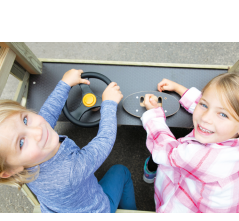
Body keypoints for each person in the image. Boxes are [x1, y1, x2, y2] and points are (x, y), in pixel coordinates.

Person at [0, 69, 137, 213]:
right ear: (10, 170)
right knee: (121, 171)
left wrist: (65, 84)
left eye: (25, 119)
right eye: (21, 143)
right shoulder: (69, 173)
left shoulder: (22, 168)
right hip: (97, 211)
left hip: (61, 209)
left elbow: (48, 113)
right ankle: (130, 213)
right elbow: (104, 141)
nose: (38, 131)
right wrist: (109, 104)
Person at [141, 73, 239, 213]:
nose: (205, 118)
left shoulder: (205, 159)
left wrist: (153, 114)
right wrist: (180, 89)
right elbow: (216, 103)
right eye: (204, 105)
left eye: (223, 115)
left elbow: (165, 150)